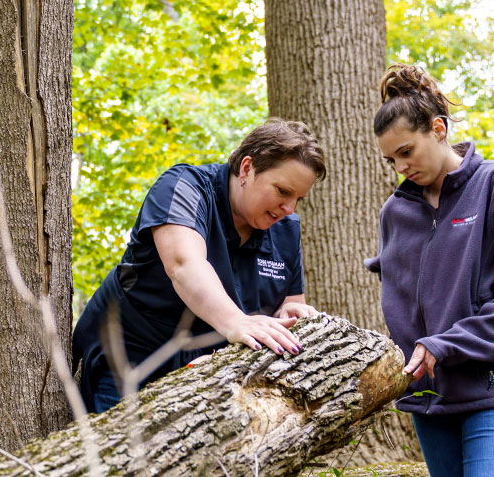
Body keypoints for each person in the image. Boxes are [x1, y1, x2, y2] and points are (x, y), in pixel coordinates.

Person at [365, 64, 494, 477]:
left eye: (406, 151)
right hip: (432, 402)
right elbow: (401, 308)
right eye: (391, 158)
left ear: (437, 129)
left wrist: (446, 344)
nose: (400, 167)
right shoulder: (394, 214)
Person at [72, 118, 327, 414]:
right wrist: (236, 321)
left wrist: (290, 314)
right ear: (247, 168)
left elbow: (290, 303)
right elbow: (184, 265)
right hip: (130, 358)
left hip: (205, 375)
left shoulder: (286, 229)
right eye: (282, 191)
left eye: (298, 199)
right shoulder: (183, 188)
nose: (289, 209)